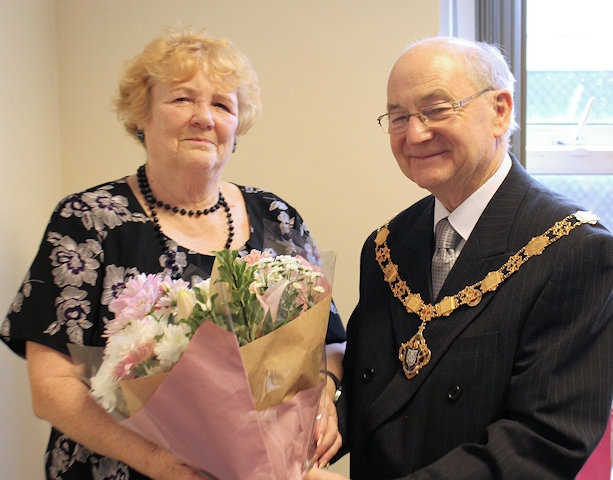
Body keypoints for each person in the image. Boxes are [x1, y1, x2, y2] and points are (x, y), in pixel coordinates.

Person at [0, 28, 345, 480]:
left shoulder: (277, 217)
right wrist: (154, 461)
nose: (204, 117)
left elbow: (327, 341)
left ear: (236, 126)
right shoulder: (87, 221)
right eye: (182, 99)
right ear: (140, 115)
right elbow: (52, 388)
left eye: (222, 104)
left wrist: (325, 393)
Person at [305, 36, 613, 480]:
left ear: (500, 111)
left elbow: (544, 439)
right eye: (398, 117)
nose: (415, 133)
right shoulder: (384, 247)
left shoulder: (575, 248)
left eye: (436, 109)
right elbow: (374, 387)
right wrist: (318, 407)